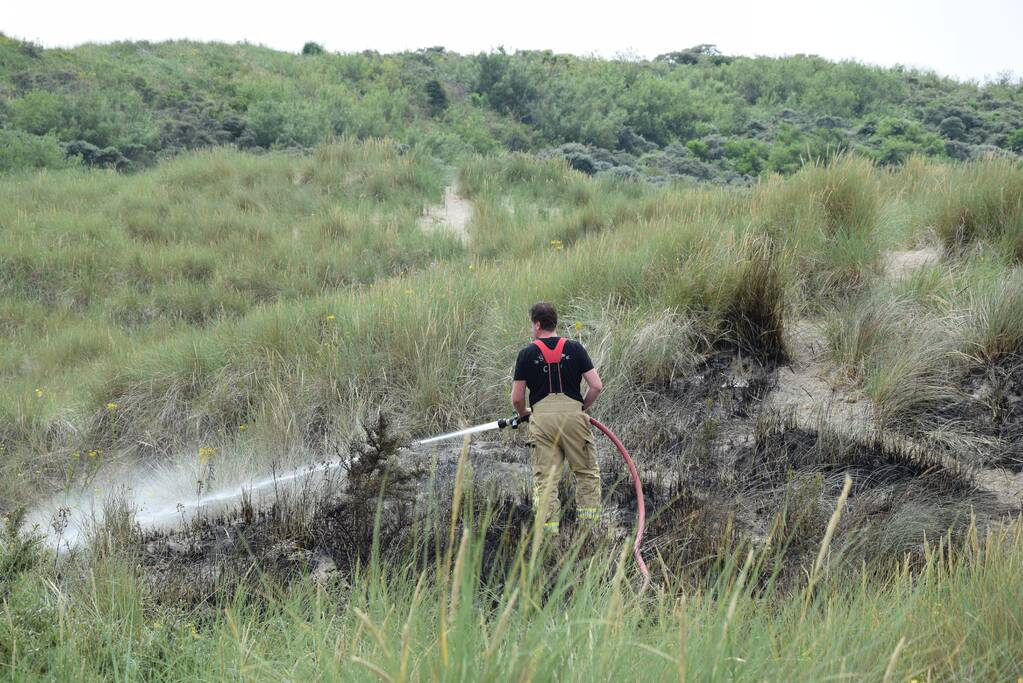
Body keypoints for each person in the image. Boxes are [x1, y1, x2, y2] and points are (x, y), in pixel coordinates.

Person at [511, 302, 603, 534]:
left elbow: (517, 398)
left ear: (538, 324)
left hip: (542, 421)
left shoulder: (526, 354)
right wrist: (581, 408)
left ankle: (548, 536)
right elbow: (596, 386)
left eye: (532, 324)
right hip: (574, 419)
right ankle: (589, 533)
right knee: (586, 474)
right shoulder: (576, 348)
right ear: (555, 322)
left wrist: (524, 415)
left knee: (546, 482)